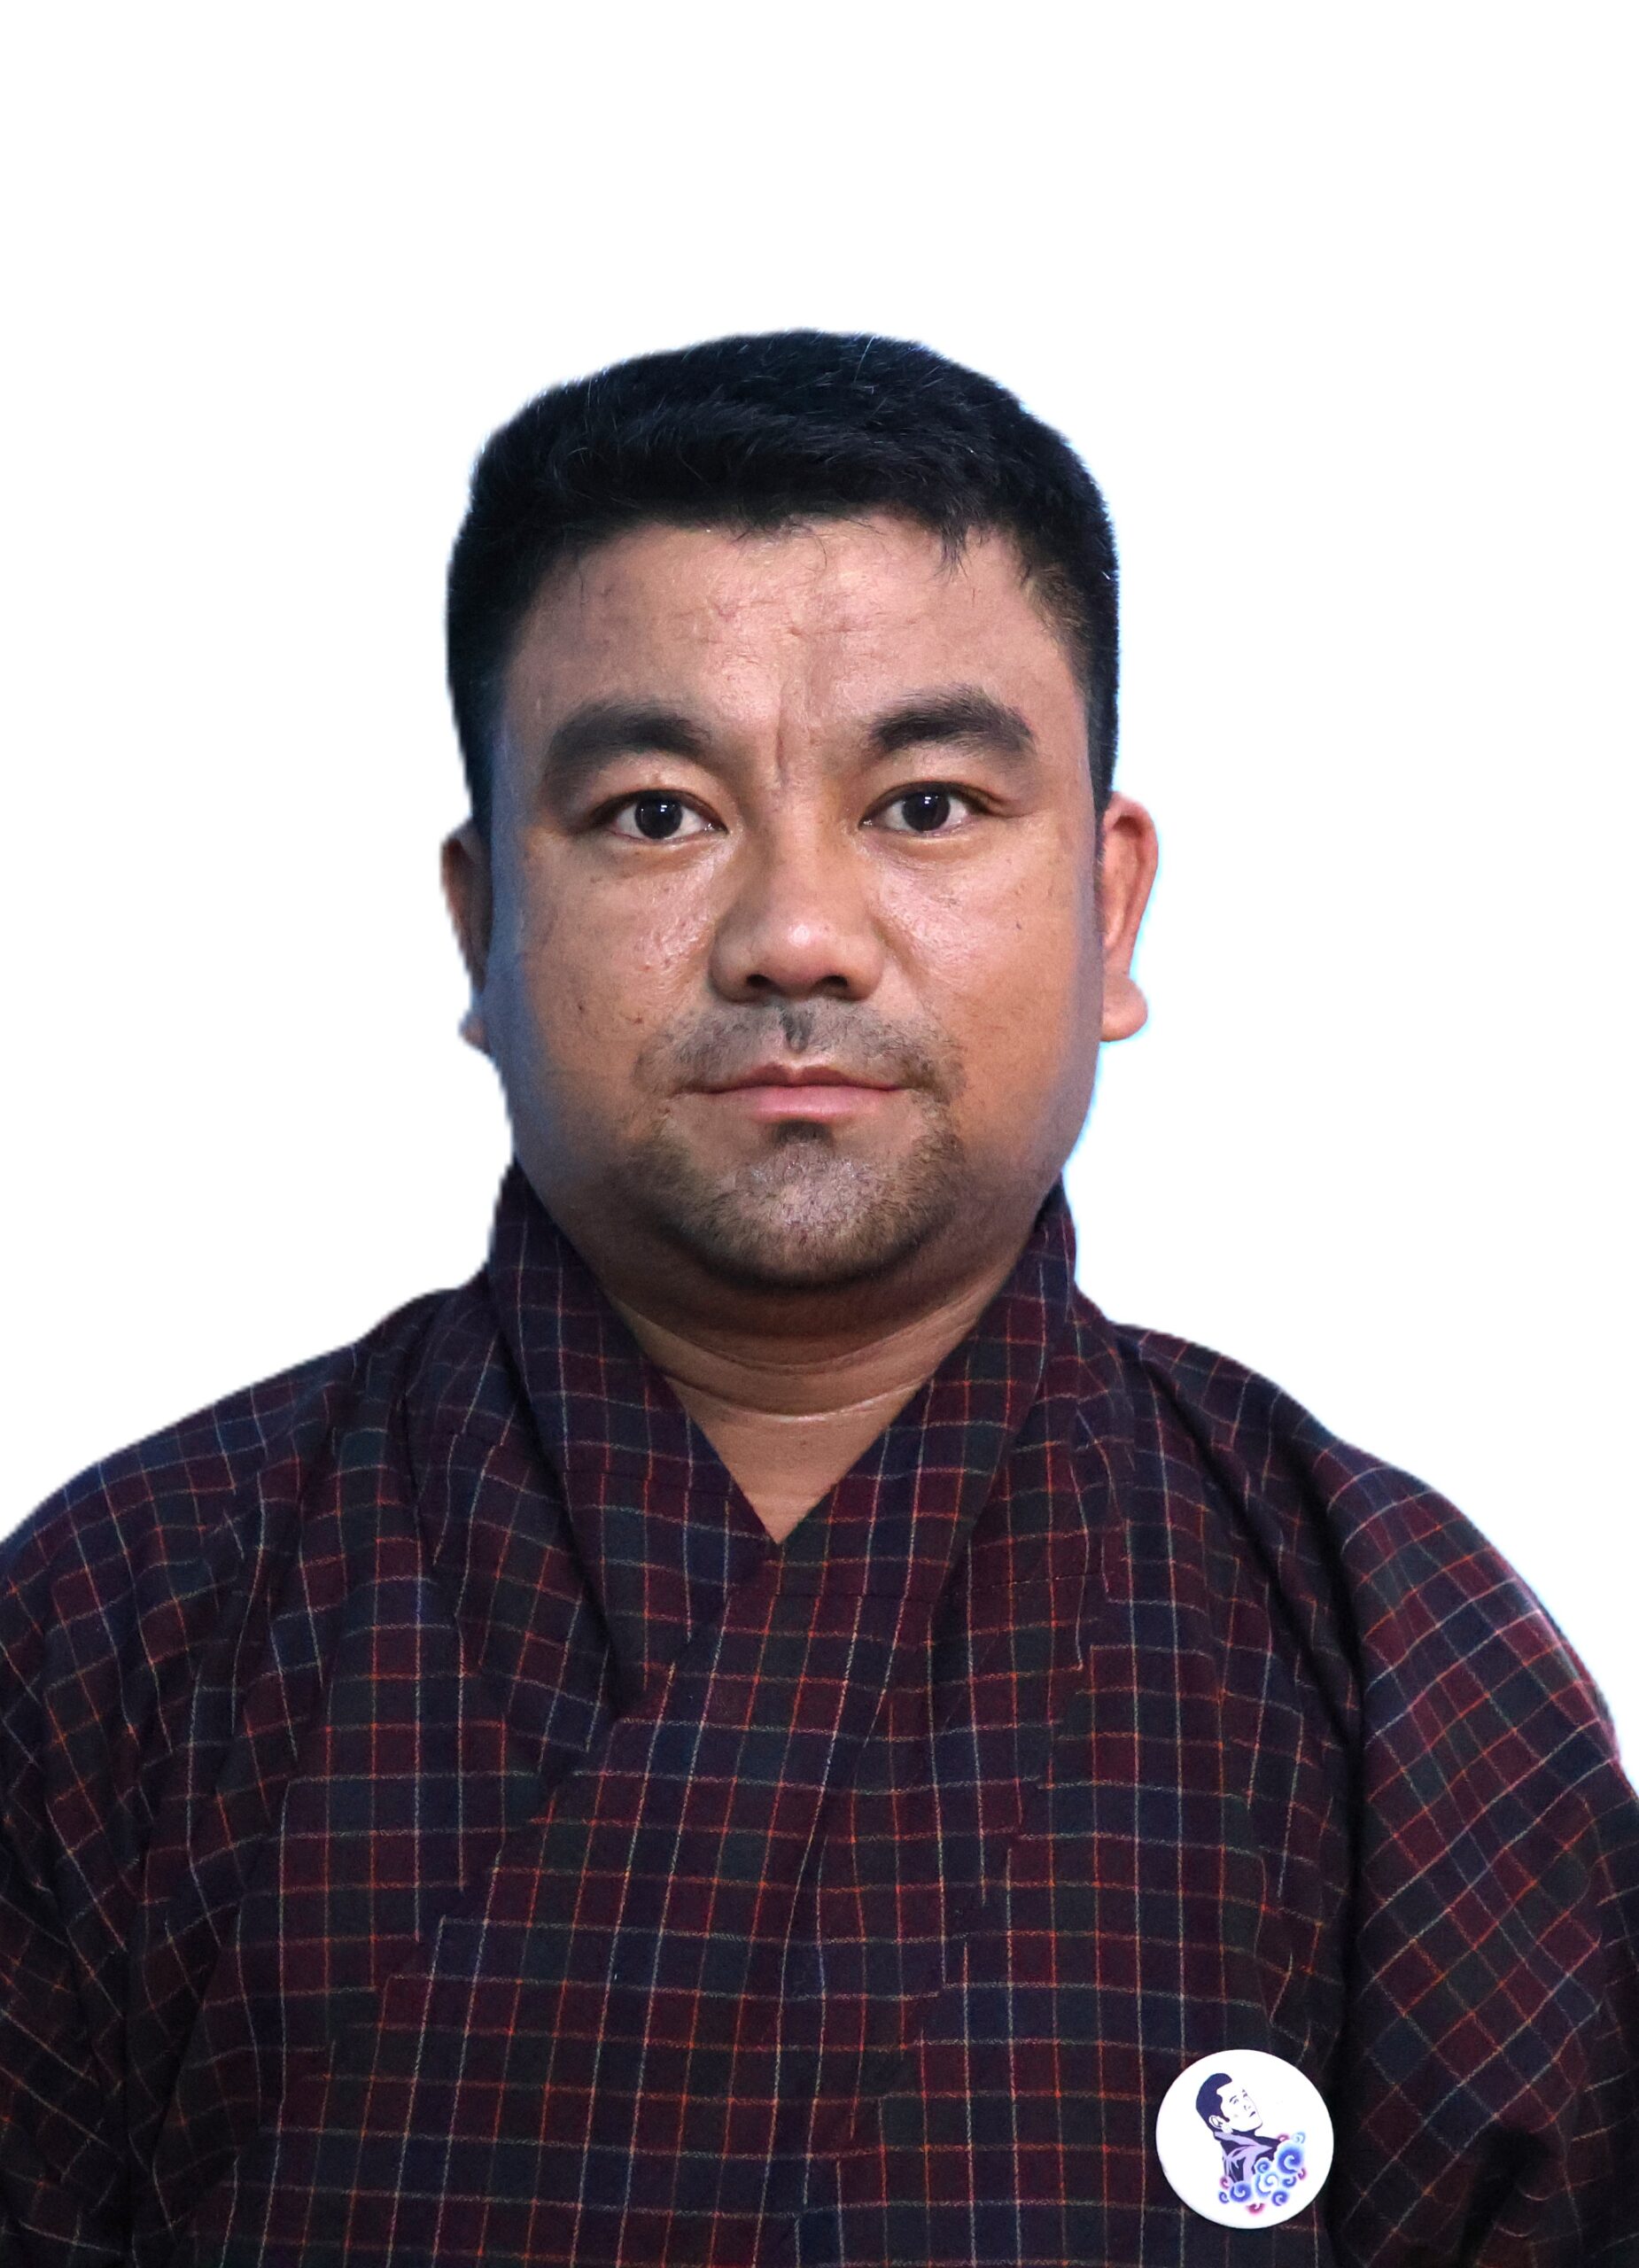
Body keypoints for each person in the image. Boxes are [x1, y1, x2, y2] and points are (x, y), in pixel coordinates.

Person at [2, 330, 1635, 2268]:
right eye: (655, 813)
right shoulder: (125, 1623)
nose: (795, 935)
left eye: (926, 805)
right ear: (481, 921)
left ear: (1109, 905)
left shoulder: (1389, 1650)